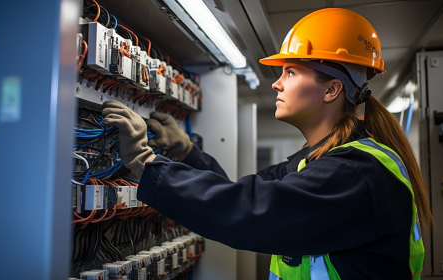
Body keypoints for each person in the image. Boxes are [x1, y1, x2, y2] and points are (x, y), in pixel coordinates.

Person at [101, 8, 434, 280]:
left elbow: (251, 215)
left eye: (290, 72)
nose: (276, 83)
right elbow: (245, 194)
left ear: (331, 90)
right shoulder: (316, 162)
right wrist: (187, 151)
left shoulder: (356, 173)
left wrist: (147, 164)